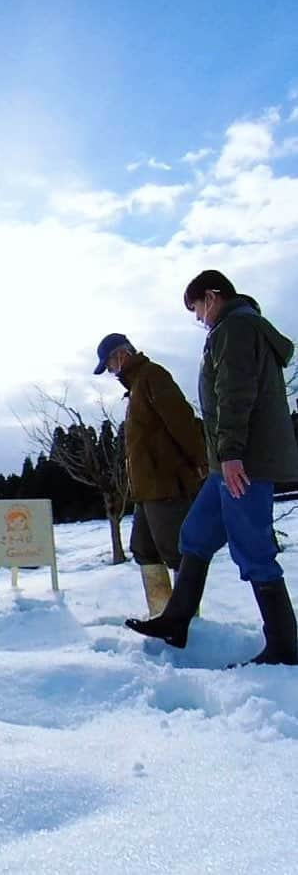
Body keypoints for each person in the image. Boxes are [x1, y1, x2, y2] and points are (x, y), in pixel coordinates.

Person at [125, 270, 298, 665]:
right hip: (229, 463)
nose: (198, 318)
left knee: (253, 549)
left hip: (244, 463)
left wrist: (232, 453)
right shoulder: (235, 328)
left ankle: (285, 645)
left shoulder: (235, 329)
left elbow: (234, 394)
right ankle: (177, 619)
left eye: (197, 307)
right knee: (196, 534)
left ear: (213, 296)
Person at [93, 333, 206, 615]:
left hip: (167, 484)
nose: (110, 371)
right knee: (143, 549)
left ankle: (186, 620)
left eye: (109, 364)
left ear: (121, 355)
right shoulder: (135, 388)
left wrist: (201, 460)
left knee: (176, 552)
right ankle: (160, 613)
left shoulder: (153, 376)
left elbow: (181, 421)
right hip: (145, 489)